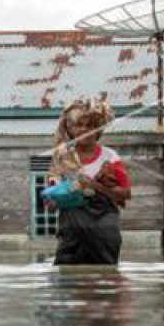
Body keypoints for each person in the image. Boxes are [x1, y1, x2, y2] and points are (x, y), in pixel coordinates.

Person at [46, 96, 132, 265]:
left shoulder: (110, 158)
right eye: (79, 125)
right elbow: (50, 204)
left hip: (103, 236)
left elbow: (125, 195)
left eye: (91, 125)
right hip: (71, 236)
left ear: (99, 130)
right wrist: (57, 198)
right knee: (67, 281)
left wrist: (94, 185)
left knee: (105, 281)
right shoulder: (61, 158)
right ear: (70, 129)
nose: (84, 130)